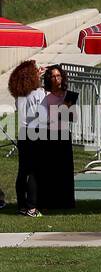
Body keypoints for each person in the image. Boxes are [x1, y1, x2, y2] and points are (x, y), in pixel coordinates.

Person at [8, 61, 45, 216]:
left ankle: (22, 206)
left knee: (23, 171)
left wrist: (37, 75)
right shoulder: (38, 93)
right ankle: (32, 207)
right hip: (36, 132)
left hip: (23, 133)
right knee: (34, 172)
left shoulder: (19, 94)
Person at [38, 65, 76, 210]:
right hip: (49, 134)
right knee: (50, 170)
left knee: (65, 169)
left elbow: (72, 116)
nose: (56, 79)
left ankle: (66, 202)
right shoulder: (45, 97)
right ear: (49, 79)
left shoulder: (68, 95)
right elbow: (42, 118)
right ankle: (48, 201)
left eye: (58, 76)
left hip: (64, 133)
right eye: (53, 76)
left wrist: (68, 111)